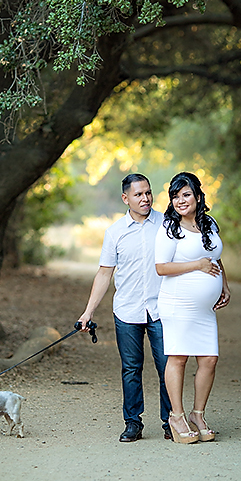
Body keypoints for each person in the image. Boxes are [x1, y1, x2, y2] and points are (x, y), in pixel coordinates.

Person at [77, 173, 173, 442]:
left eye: (148, 193)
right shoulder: (115, 232)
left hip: (161, 309)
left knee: (167, 366)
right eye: (138, 194)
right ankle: (133, 422)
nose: (145, 199)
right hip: (127, 310)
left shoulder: (167, 225)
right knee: (131, 368)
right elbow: (104, 274)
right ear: (125, 198)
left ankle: (171, 421)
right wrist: (88, 312)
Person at [155, 172, 231, 444]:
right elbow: (161, 267)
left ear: (198, 197)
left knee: (209, 359)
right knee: (179, 358)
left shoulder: (209, 223)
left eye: (186, 195)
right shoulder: (169, 228)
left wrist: (224, 284)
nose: (180, 201)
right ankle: (177, 416)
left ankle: (198, 415)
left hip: (203, 310)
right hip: (178, 303)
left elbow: (216, 258)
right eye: (175, 196)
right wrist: (197, 265)